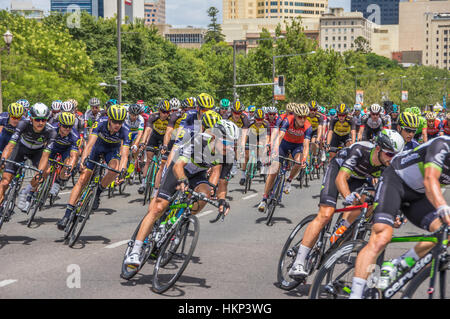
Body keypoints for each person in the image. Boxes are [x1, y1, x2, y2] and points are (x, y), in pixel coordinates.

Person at [288, 129, 405, 279]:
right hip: (338, 170)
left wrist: (394, 213)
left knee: (368, 202)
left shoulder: (388, 165)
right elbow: (340, 179)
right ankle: (298, 262)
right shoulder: (360, 150)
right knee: (326, 214)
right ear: (378, 149)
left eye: (396, 155)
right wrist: (348, 196)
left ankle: (343, 229)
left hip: (360, 178)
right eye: (389, 154)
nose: (392, 158)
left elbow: (390, 192)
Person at [124, 119, 238, 268]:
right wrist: (182, 180)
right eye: (227, 143)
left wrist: (222, 200)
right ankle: (135, 251)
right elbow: (178, 166)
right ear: (215, 137)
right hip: (179, 169)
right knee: (159, 207)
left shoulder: (227, 155)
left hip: (198, 174)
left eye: (233, 144)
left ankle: (180, 220)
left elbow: (220, 182)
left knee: (205, 195)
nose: (230, 147)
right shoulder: (200, 141)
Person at [349, 135, 450, 299]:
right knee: (382, 236)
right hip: (395, 180)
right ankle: (356, 293)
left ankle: (399, 264)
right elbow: (430, 178)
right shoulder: (442, 144)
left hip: (418, 196)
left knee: (444, 233)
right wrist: (442, 207)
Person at [56, 104, 130, 230]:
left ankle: (98, 192)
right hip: (96, 148)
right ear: (109, 119)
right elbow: (90, 144)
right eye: (115, 122)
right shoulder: (100, 122)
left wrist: (122, 171)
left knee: (115, 168)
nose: (117, 125)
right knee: (82, 179)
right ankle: (67, 215)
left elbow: (124, 155)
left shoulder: (125, 130)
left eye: (120, 122)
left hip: (111, 151)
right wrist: (84, 159)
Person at [0, 103, 57, 211]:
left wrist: (40, 171)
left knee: (46, 171)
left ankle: (26, 191)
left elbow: (45, 155)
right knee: (5, 181)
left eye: (43, 120)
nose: (40, 123)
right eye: (37, 119)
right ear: (31, 118)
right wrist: (3, 159)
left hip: (38, 151)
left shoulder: (51, 131)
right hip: (20, 148)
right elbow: (11, 145)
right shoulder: (23, 124)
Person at [258, 104, 312, 211]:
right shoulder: (288, 120)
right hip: (284, 144)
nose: (302, 119)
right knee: (274, 169)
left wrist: (304, 160)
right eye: (300, 117)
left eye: (304, 117)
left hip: (297, 146)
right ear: (295, 116)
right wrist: (274, 150)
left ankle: (289, 180)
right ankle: (264, 199)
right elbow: (280, 136)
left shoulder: (308, 126)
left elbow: (306, 146)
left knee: (298, 162)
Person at [48, 112, 81, 197]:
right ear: (59, 124)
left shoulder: (74, 135)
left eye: (70, 127)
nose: (67, 129)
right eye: (65, 126)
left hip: (66, 150)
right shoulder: (51, 128)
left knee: (67, 164)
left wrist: (69, 168)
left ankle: (58, 182)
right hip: (53, 147)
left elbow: (74, 155)